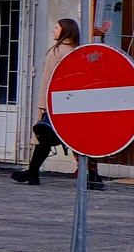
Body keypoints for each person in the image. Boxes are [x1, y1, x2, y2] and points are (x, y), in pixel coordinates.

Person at [12, 17, 104, 190]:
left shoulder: (57, 51)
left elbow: (48, 80)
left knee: (44, 137)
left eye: (56, 27)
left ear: (65, 31)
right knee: (80, 139)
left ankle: (32, 172)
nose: (53, 30)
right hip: (76, 102)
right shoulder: (78, 51)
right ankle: (93, 176)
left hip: (55, 102)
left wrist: (44, 103)